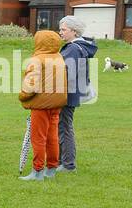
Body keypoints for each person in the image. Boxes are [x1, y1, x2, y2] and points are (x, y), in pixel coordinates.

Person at [19, 30, 68, 180]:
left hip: (41, 105)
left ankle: (37, 171)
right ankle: (51, 169)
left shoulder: (37, 60)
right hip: (56, 103)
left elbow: (30, 86)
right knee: (52, 136)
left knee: (38, 138)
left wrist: (22, 96)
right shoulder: (59, 57)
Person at [58, 15, 97, 172]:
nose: (60, 32)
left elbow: (67, 72)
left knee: (64, 128)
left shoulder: (74, 48)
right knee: (62, 127)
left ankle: (68, 164)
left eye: (63, 29)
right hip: (69, 93)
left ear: (74, 31)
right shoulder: (77, 46)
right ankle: (63, 162)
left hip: (67, 94)